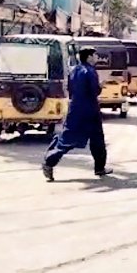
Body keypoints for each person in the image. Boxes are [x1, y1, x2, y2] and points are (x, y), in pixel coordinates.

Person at [42, 48, 112, 181]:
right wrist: (101, 86)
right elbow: (94, 91)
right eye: (95, 55)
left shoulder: (74, 70)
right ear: (89, 57)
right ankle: (49, 161)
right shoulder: (90, 72)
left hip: (75, 109)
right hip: (90, 111)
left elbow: (70, 89)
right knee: (93, 139)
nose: (97, 57)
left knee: (71, 138)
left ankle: (100, 168)